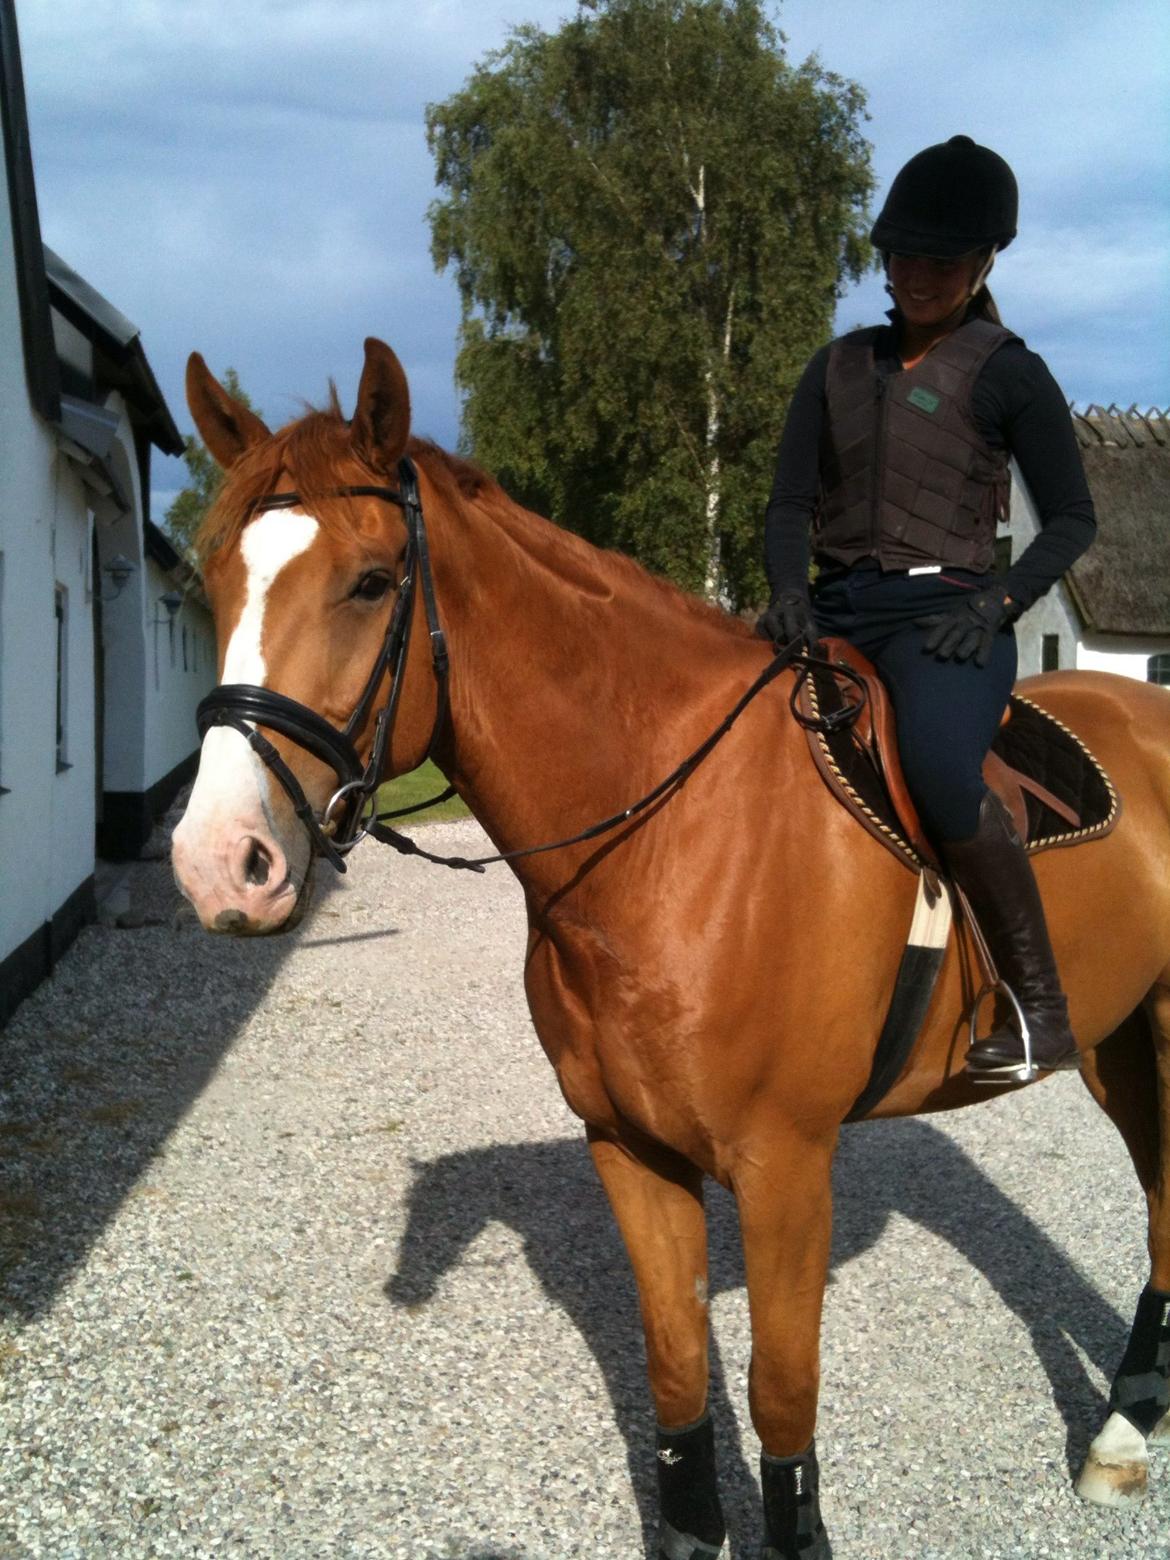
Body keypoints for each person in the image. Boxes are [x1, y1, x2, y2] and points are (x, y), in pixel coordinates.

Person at [758, 134, 1096, 1078]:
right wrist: (790, 592)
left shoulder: (1009, 371)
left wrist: (994, 604)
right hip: (831, 607)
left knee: (944, 776)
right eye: (903, 257)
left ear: (983, 262)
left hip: (945, 619)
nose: (917, 277)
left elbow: (1073, 518)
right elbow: (789, 502)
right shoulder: (833, 366)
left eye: (941, 262)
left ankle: (1041, 1010)